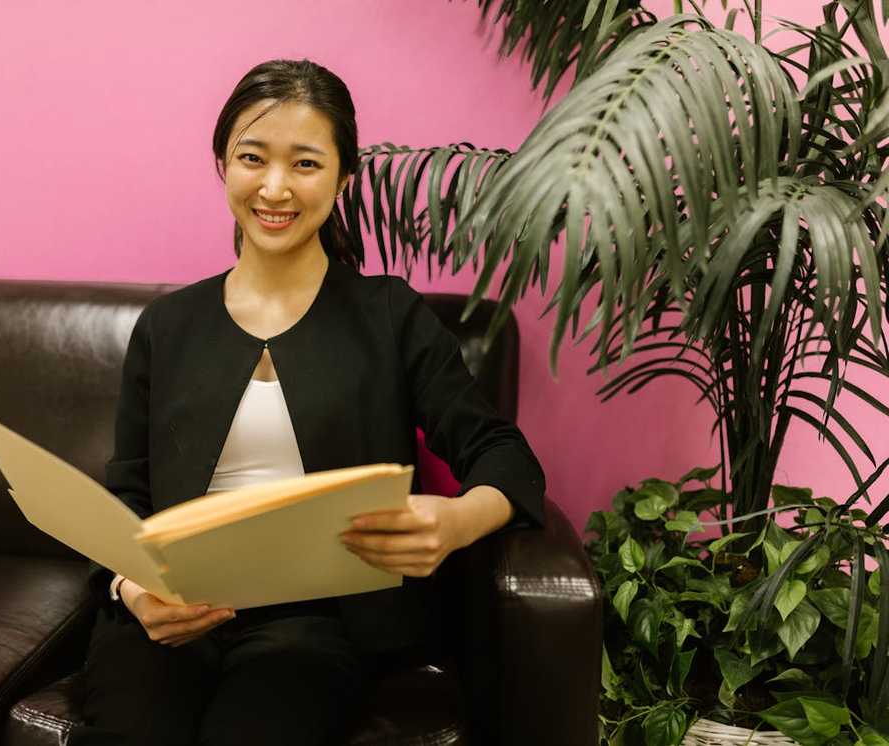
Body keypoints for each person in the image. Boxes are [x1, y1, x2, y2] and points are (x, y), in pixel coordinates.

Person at [72, 58, 546, 746]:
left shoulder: (389, 316)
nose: (274, 187)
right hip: (168, 618)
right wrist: (129, 589)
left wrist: (457, 521)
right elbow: (127, 492)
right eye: (252, 158)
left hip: (314, 628)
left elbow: (506, 457)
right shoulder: (168, 327)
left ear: (343, 177)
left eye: (305, 164)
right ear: (222, 166)